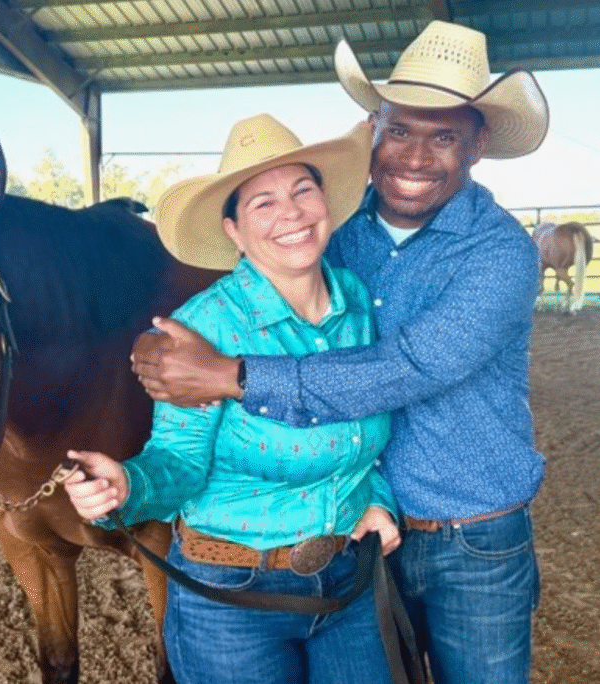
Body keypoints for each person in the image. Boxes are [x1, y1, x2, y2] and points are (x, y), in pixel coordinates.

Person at [130, 20, 547, 684]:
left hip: (467, 535)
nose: (414, 157)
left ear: (479, 141)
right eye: (400, 130)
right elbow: (261, 284)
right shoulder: (334, 231)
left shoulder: (498, 254)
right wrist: (172, 349)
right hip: (355, 537)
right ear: (373, 128)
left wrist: (231, 375)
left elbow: (410, 368)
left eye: (443, 136)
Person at [64, 113, 401, 684]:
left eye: (302, 191)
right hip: (233, 599)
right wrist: (128, 484)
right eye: (262, 203)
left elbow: (372, 423)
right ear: (234, 232)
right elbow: (180, 461)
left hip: (347, 578)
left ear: (325, 203)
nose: (290, 213)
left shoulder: (357, 301)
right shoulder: (203, 329)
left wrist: (377, 499)